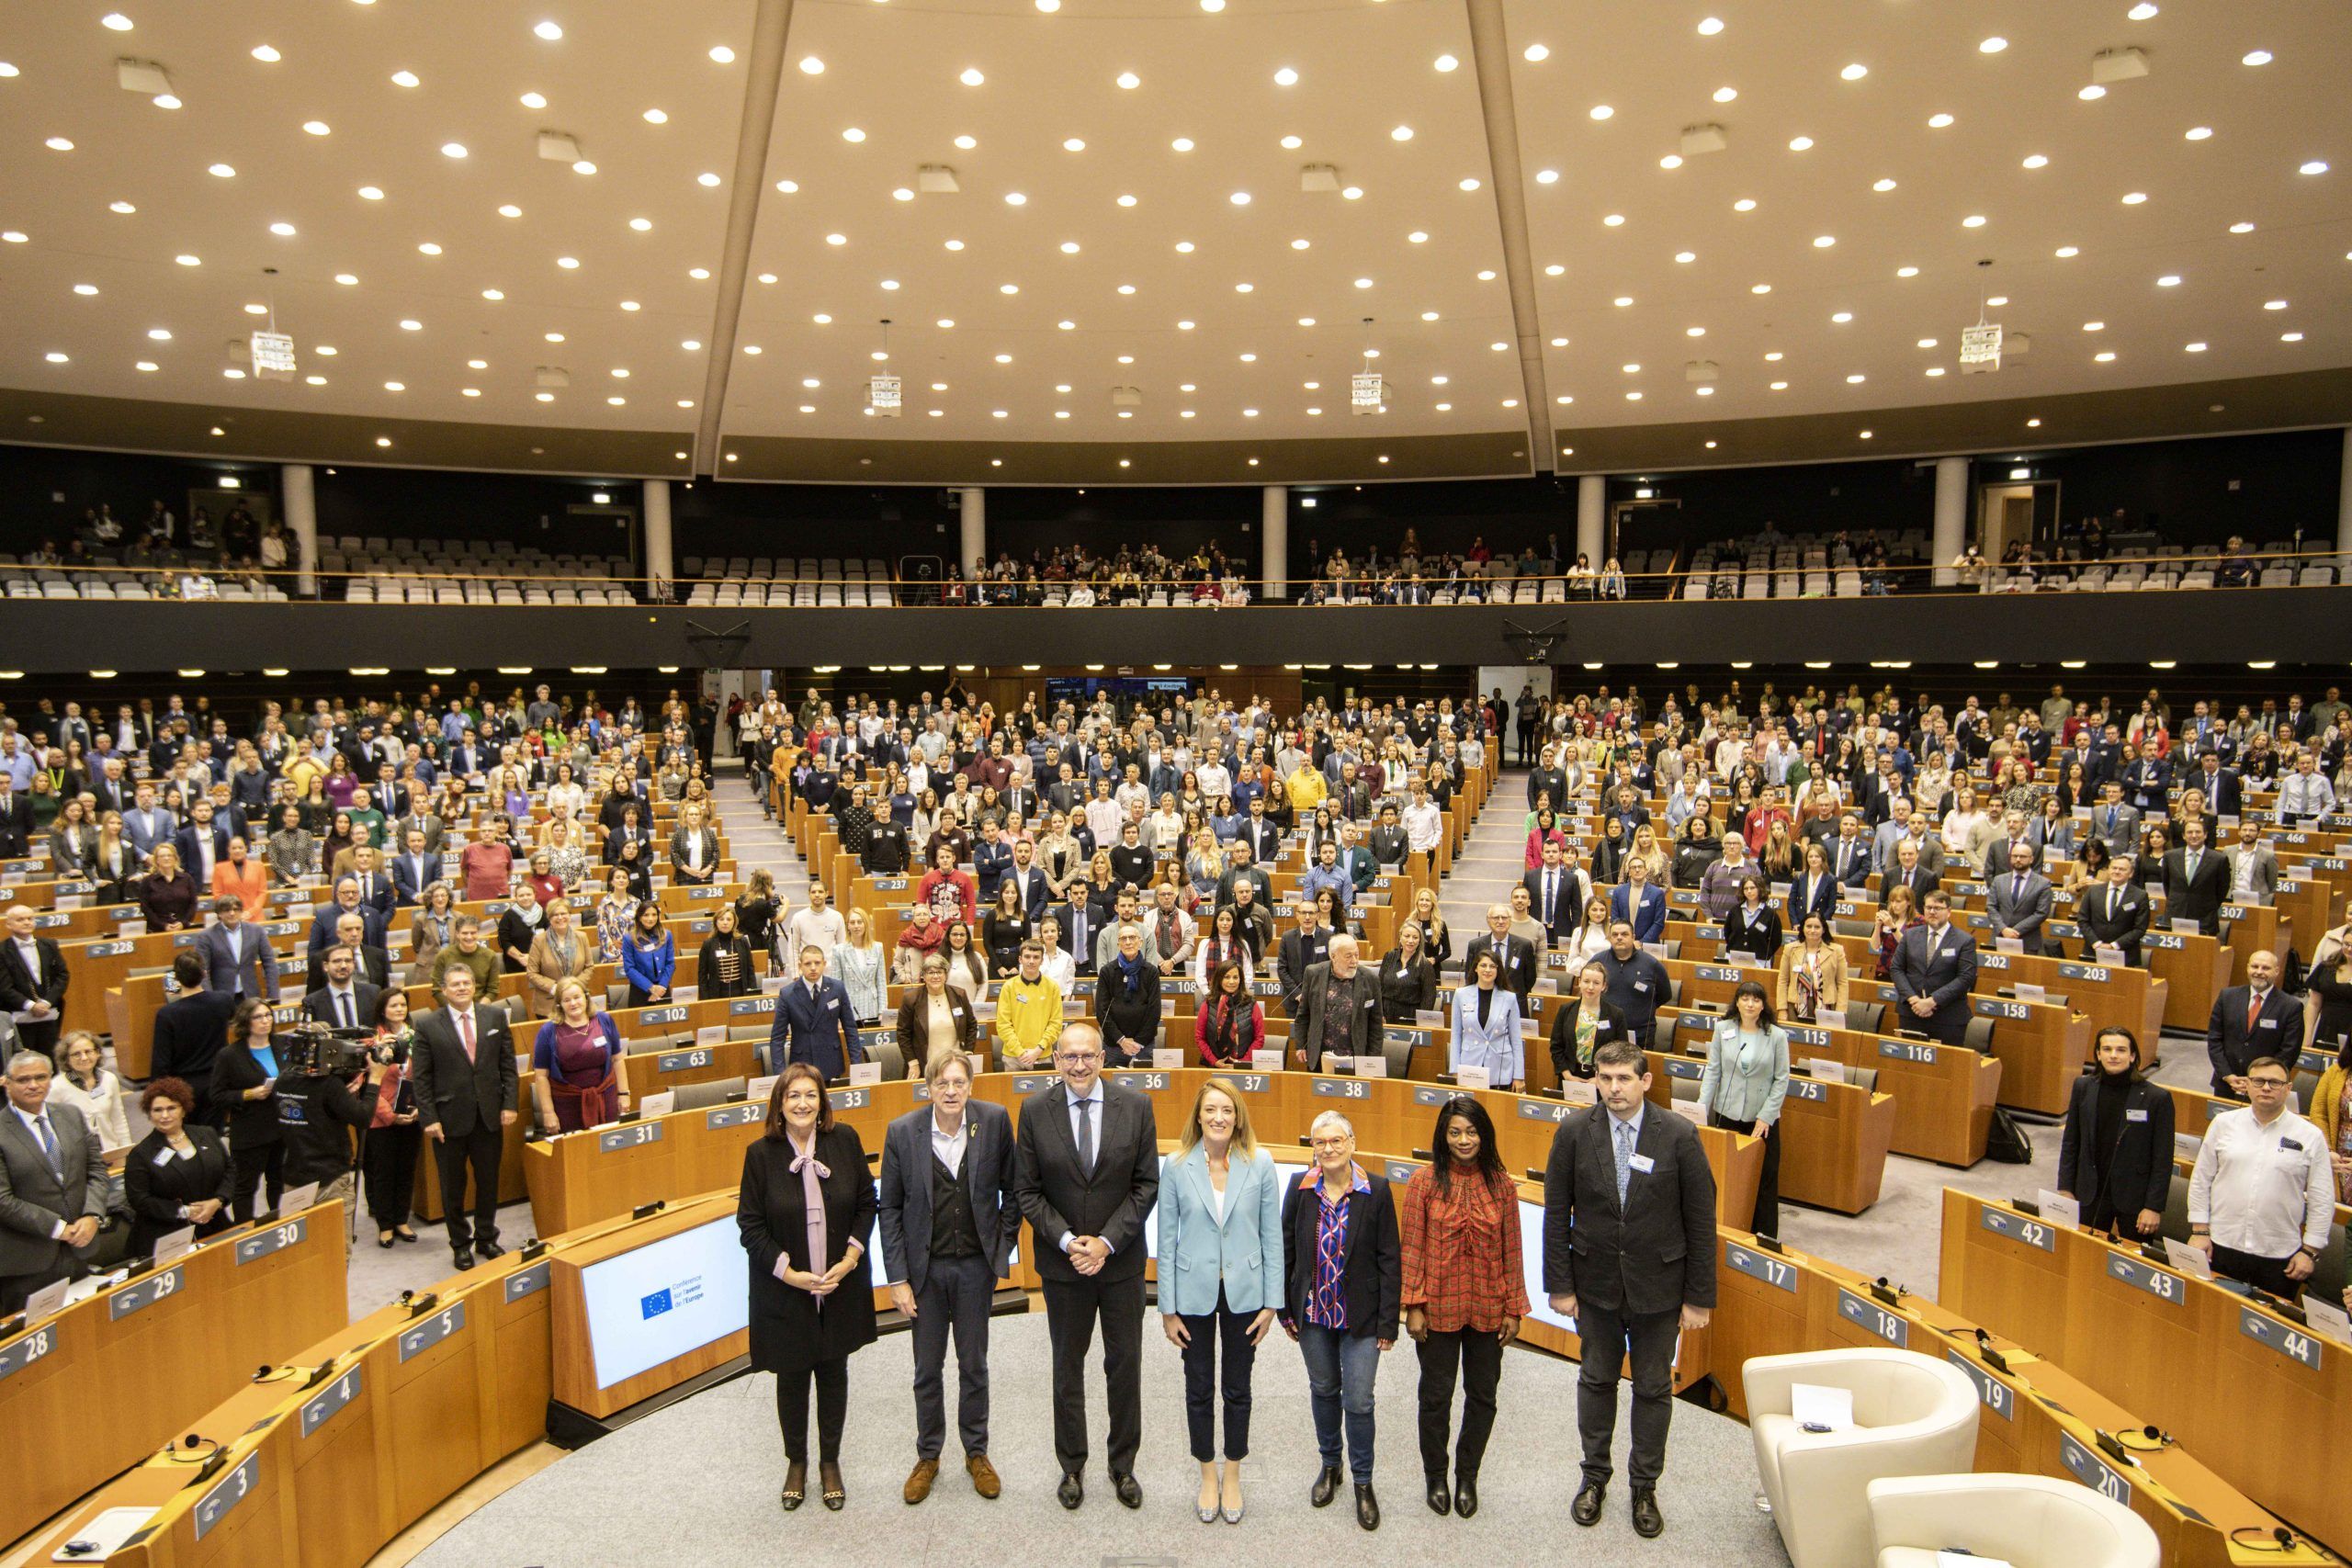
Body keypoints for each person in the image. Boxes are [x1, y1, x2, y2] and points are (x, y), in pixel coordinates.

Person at [1544, 1041, 1718, 1539]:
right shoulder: (1576, 1131)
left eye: (1624, 1078)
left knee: (1653, 1388)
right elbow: (1557, 1213)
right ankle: (1594, 1478)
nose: (1614, 1088)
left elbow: (1701, 1221)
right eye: (1606, 1078)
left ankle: (1645, 1485)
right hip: (1594, 1286)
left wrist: (1698, 1296)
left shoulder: (1679, 1135)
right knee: (1596, 1381)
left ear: (1645, 1081)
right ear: (1596, 1080)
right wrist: (1560, 1285)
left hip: (1659, 1290)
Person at [1013, 1022, 1161, 1512]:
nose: (1079, 1065)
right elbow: (1027, 1191)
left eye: (1088, 1056)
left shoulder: (1136, 1107)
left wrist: (1105, 1243)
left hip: (1119, 1267)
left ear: (1103, 1059)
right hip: (1063, 1267)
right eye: (1069, 1056)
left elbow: (1146, 1186)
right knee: (1067, 1366)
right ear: (1055, 1060)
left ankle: (1123, 1464)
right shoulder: (1035, 1111)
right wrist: (1066, 1240)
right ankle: (1072, 1465)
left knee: (1125, 1366)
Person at [877, 1052, 1019, 1503]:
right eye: (943, 1084)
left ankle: (977, 1452)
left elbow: (1015, 1192)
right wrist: (897, 1276)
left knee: (974, 1365)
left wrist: (1001, 1246)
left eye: (959, 1082)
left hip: (976, 1267)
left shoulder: (994, 1122)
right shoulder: (903, 1132)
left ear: (971, 1085)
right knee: (927, 1369)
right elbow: (890, 1210)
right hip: (925, 1272)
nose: (952, 1091)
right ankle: (928, 1455)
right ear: (929, 1088)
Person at [739, 1063, 878, 1513]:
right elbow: (750, 1226)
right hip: (785, 1289)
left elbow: (865, 1203)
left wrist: (851, 1258)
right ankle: (796, 1462)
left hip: (840, 1283)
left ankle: (830, 1462)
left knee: (834, 1374)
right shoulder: (760, 1155)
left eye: (811, 1095)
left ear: (823, 1103)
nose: (802, 1103)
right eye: (793, 1095)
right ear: (780, 1105)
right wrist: (789, 1273)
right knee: (793, 1377)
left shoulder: (846, 1141)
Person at [1159, 1077, 1284, 1524]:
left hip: (1245, 1294)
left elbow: (1272, 1236)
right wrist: (1167, 1309)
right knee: (1198, 1388)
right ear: (1198, 1115)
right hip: (1192, 1293)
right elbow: (1167, 1240)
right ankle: (1207, 1473)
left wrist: (1272, 1303)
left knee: (1236, 1386)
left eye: (1227, 1111)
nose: (1219, 1118)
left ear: (1238, 1117)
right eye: (1211, 1110)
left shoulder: (1260, 1162)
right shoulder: (1176, 1166)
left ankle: (1232, 1473)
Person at [1400, 1096, 1525, 1519]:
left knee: (1483, 1396)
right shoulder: (1423, 1183)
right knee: (1436, 1397)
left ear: (1484, 1134)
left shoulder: (1502, 1185)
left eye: (1471, 1132)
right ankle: (1436, 1474)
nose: (1463, 1140)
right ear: (1443, 1135)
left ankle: (1467, 1475)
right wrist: (1412, 1305)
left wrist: (1514, 1308)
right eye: (1454, 1132)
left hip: (1489, 1306)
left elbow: (1513, 1251)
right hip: (1436, 1306)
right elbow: (1412, 1247)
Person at [1280, 1108, 1400, 1531]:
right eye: (1320, 1142)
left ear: (1352, 1143)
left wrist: (1389, 1322)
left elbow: (1390, 1259)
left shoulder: (1377, 1190)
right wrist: (1284, 1307)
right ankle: (1331, 1465)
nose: (1328, 1149)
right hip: (1312, 1313)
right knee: (1324, 1389)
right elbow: (1286, 1249)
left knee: (1359, 1399)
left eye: (1336, 1141)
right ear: (1312, 1147)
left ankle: (1363, 1481)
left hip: (1362, 1319)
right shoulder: (1300, 1187)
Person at [2188, 1055, 2333, 1297]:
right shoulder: (2224, 1124)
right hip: (2220, 1245)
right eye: (2258, 1081)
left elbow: (2322, 1198)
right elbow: (2201, 1180)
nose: (2266, 1088)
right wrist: (2199, 1231)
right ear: (2247, 1085)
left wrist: (2309, 1251)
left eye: (2274, 1083)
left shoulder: (2310, 1136)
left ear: (2288, 1089)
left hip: (2279, 1255)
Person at [409, 964, 520, 1269]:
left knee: (488, 1181)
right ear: (443, 990)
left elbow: (508, 1065)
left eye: (466, 982)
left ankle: (486, 1237)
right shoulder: (428, 1025)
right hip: (448, 1120)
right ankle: (460, 1244)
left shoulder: (495, 1017)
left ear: (475, 986)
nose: (461, 988)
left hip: (488, 1116)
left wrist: (509, 1104)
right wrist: (429, 1118)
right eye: (454, 984)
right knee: (452, 1187)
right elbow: (422, 1078)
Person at [0, 1049, 110, 1311]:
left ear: (51, 1079)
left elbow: (96, 1171)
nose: (33, 1085)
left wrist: (92, 1215)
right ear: (7, 1082)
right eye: (23, 1079)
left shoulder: (70, 1115)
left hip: (79, 1249)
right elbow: (2, 1200)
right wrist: (59, 1228)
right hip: (27, 1261)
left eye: (40, 1077)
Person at [2055, 1027, 2175, 1239]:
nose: (2113, 1055)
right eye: (2107, 1049)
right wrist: (2065, 1187)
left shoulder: (2157, 1098)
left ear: (2132, 1056)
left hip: (2134, 1199)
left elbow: (2163, 1158)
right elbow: (2071, 1141)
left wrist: (2153, 1207)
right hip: (2089, 1193)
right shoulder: (2083, 1086)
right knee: (2085, 1255)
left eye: (2120, 1050)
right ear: (2098, 1054)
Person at [1697, 980, 1791, 1237]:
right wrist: (1701, 1110)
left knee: (1764, 1179)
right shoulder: (1723, 1029)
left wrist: (1766, 1116)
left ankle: (1765, 1236)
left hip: (1762, 1120)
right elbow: (1713, 1071)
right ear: (1736, 1002)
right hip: (1729, 1114)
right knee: (1728, 1178)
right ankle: (1730, 1230)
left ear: (1763, 1005)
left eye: (1756, 1000)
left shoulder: (1777, 1036)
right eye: (1745, 999)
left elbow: (1782, 1079)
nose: (1750, 1004)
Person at [123, 1076, 234, 1258]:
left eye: (171, 1108)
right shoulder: (141, 1154)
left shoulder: (206, 1134)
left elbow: (229, 1169)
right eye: (157, 1110)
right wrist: (185, 1212)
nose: (165, 1116)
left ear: (184, 1109)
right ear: (149, 1115)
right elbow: (140, 1200)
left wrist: (218, 1201)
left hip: (214, 1223)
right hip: (167, 1236)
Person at [211, 998, 291, 1220]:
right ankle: (245, 1233)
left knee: (278, 1181)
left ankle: (279, 1221)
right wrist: (248, 1094)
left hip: (282, 1127)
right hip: (250, 1133)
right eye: (258, 1017)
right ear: (246, 1021)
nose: (265, 1021)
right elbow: (217, 1095)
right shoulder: (229, 1055)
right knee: (246, 1187)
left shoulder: (283, 1043)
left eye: (268, 1015)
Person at [361, 989, 424, 1248]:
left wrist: (419, 1107)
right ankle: (385, 1225)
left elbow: (424, 1075)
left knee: (406, 1169)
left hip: (411, 1114)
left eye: (403, 1005)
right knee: (384, 1172)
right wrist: (390, 1115)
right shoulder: (371, 1041)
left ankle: (401, 1219)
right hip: (382, 1118)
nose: (399, 1009)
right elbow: (368, 1085)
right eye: (393, 1005)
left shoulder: (416, 1038)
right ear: (382, 1009)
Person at [529, 977, 629, 1133]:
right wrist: (548, 1112)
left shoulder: (604, 1020)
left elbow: (617, 1059)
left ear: (586, 997)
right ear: (559, 1005)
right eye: (566, 1000)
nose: (573, 1003)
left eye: (577, 997)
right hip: (567, 1105)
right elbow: (541, 1076)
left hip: (605, 1097)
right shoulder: (548, 1031)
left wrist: (624, 1094)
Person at [2206, 949, 2299, 1100]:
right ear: (2247, 968)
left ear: (2276, 971)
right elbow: (2215, 1039)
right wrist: (2227, 1074)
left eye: (2266, 968)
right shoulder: (2227, 996)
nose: (2259, 972)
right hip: (2226, 1083)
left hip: (2265, 1088)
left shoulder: (2290, 1006)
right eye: (2255, 967)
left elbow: (2289, 1051)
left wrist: (2258, 1080)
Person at [1891, 890, 1977, 1045]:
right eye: (1929, 907)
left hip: (1947, 1018)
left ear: (1949, 911)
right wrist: (1914, 999)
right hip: (1912, 1013)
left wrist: (1932, 1001)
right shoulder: (1910, 936)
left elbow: (1966, 978)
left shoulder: (1964, 940)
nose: (1932, 912)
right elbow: (1896, 969)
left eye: (1938, 908)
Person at [770, 944, 865, 1080]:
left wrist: (857, 1066)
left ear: (824, 964)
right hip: (802, 1066)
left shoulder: (837, 988)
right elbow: (778, 1038)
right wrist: (780, 1075)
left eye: (817, 963)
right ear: (800, 965)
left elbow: (850, 1029)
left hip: (831, 1063)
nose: (813, 968)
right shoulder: (788, 994)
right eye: (808, 963)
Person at [1292, 935, 1380, 1070]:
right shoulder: (1313, 973)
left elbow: (1376, 1024)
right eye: (1348, 956)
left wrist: (1372, 1060)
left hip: (1356, 1057)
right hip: (1319, 1056)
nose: (1354, 961)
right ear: (1333, 956)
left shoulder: (1370, 979)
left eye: (1356, 955)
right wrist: (1300, 1046)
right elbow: (1303, 1015)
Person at [0, 905, 71, 1061]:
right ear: (8, 924)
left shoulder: (49, 945)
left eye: (30, 918)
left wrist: (47, 1002)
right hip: (19, 1015)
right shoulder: (2, 951)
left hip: (49, 1012)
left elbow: (62, 975)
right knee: (24, 1059)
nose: (26, 922)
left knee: (51, 1057)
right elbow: (4, 987)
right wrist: (31, 1006)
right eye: (20, 919)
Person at [1449, 950, 1524, 1089]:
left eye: (1492, 966)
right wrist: (1454, 1070)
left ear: (1498, 970)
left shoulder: (1509, 998)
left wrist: (1519, 1076)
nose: (1488, 970)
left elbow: (1516, 1040)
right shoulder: (1461, 995)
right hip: (1470, 1066)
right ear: (1476, 968)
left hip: (1500, 1068)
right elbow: (1456, 1035)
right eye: (1483, 965)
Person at [898, 954, 981, 1077]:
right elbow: (902, 1034)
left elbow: (971, 1025)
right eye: (931, 972)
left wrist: (968, 1051)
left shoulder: (959, 995)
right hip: (925, 1066)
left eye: (939, 972)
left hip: (955, 1065)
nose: (935, 976)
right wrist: (913, 1062)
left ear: (946, 975)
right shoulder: (911, 999)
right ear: (923, 976)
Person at [1096, 922, 1162, 1067]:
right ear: (1118, 943)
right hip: (1114, 1046)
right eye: (1123, 938)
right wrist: (1121, 1040)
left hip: (1144, 1045)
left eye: (1132, 938)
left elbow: (1154, 1011)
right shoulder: (1107, 971)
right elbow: (1102, 1012)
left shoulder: (1151, 972)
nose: (1128, 942)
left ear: (1140, 942)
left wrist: (1137, 1042)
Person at [994, 940, 1064, 1071]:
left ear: (1042, 960)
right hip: (1013, 1058)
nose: (1031, 961)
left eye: (1036, 957)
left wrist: (1038, 1050)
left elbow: (1056, 1023)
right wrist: (1020, 1052)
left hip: (1042, 1055)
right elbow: (1003, 1025)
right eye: (1027, 957)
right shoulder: (1008, 987)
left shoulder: (1052, 987)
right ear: (1020, 959)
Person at [524, 900, 596, 1019]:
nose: (560, 917)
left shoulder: (582, 937)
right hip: (548, 1004)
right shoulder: (539, 940)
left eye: (564, 913)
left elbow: (589, 967)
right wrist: (556, 988)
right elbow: (532, 973)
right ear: (549, 918)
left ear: (569, 915)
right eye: (555, 915)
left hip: (577, 1002)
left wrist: (574, 987)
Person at [1775, 912, 1849, 1026]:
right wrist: (1782, 1009)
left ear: (1824, 930)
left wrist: (1840, 1011)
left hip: (1826, 1006)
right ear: (1803, 928)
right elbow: (1783, 980)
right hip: (1795, 1006)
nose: (1812, 930)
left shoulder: (1836, 951)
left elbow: (1842, 983)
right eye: (1809, 926)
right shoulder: (1790, 949)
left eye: (1817, 927)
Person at [1194, 958, 1265, 1067]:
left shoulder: (1251, 1003)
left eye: (1235, 977)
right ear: (1219, 979)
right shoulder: (1209, 1003)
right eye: (1227, 977)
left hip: (1243, 1067)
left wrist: (1241, 1064)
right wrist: (1215, 1062)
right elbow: (1200, 1037)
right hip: (1213, 1065)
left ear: (1240, 980)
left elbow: (1259, 1038)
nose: (1231, 982)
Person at [1374, 919, 1439, 1024]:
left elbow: (1428, 998)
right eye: (1407, 936)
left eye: (1415, 937)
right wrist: (1379, 1014)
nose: (1410, 941)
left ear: (1420, 941)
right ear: (1400, 937)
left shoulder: (1425, 965)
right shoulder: (1389, 956)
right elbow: (1378, 987)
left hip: (1410, 1019)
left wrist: (1419, 1022)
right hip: (1385, 1017)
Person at [696, 902, 761, 1003]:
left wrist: (753, 993)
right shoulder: (708, 944)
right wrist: (705, 1000)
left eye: (729, 919)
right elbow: (702, 976)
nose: (725, 923)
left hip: (741, 994)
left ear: (734, 922)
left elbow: (750, 970)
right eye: (721, 919)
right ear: (716, 923)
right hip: (717, 995)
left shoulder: (743, 941)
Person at [620, 901, 676, 1009]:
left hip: (662, 989)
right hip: (640, 990)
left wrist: (661, 987)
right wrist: (651, 988)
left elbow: (670, 964)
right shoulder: (629, 939)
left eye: (654, 915)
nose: (650, 919)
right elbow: (629, 969)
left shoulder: (667, 935)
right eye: (646, 915)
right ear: (639, 917)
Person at [1719, 873, 1781, 965]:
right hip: (1734, 958)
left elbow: (1776, 940)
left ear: (1760, 889)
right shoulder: (1734, 911)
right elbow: (1728, 933)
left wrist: (1764, 953)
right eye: (1746, 888)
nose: (1749, 891)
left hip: (1759, 961)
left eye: (1752, 888)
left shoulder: (1770, 914)